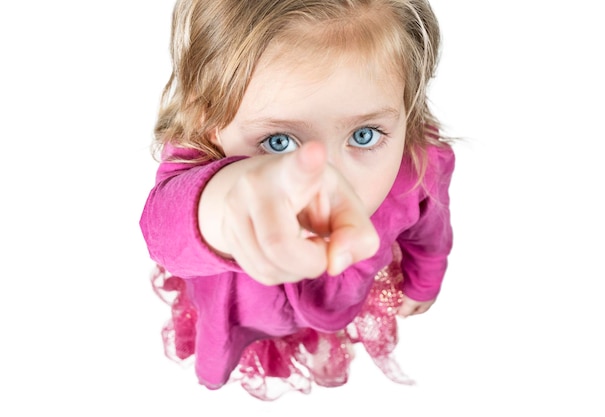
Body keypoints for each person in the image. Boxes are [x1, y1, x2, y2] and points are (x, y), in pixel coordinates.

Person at [140, 0, 455, 400]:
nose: (331, 181)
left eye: (364, 135)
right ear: (210, 121)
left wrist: (425, 281)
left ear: (407, 111)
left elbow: (430, 232)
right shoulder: (195, 162)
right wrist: (225, 203)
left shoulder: (419, 165)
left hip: (344, 298)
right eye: (278, 143)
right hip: (242, 312)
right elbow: (164, 228)